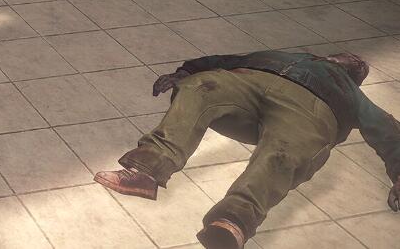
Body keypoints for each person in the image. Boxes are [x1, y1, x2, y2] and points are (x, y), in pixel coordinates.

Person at [95, 51, 400, 249]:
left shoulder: (352, 94)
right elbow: (226, 60)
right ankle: (146, 171)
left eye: (356, 64)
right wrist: (187, 72)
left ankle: (232, 221)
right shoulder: (283, 57)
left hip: (311, 111)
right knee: (201, 86)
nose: (350, 60)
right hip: (249, 84)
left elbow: (387, 131)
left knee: (285, 151)